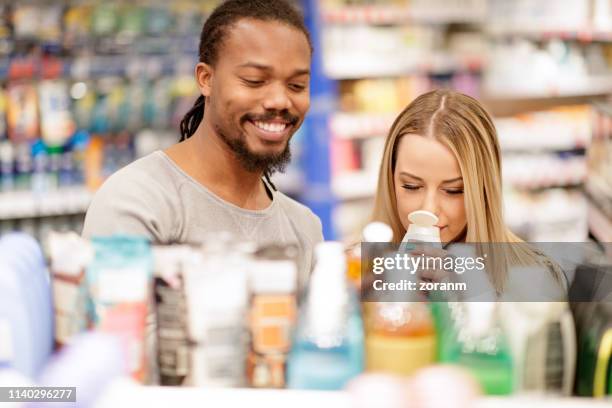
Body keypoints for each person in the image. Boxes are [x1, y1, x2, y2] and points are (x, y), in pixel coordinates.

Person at [83, 0, 323, 284]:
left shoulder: (304, 227)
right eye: (254, 80)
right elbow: (113, 325)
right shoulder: (137, 202)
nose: (280, 101)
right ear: (206, 79)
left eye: (296, 86)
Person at [371, 89, 567, 298]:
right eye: (410, 186)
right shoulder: (362, 269)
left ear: (482, 190)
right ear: (390, 178)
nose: (428, 209)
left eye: (452, 190)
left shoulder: (535, 279)